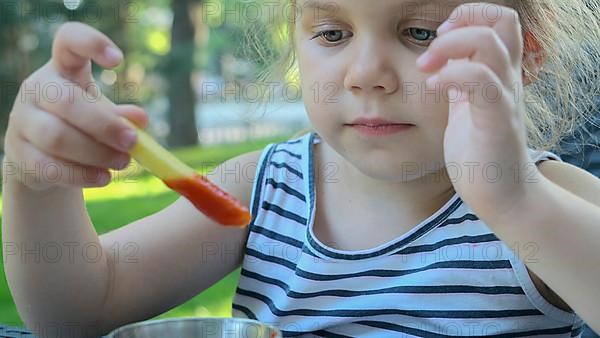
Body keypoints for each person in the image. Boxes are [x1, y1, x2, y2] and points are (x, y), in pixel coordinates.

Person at [3, 1, 600, 337]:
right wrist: (38, 185)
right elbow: (79, 311)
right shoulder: (266, 188)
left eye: (420, 33)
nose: (365, 72)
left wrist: (514, 200)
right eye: (332, 32)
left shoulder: (545, 198)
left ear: (522, 58)